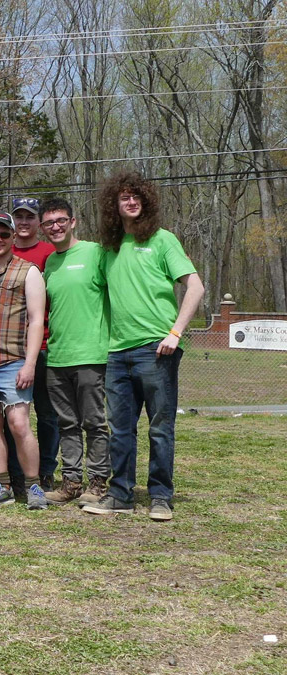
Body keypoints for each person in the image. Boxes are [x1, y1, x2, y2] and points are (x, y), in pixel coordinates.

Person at [83, 170, 204, 521]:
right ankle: (120, 494)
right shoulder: (109, 249)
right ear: (114, 205)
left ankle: (160, 496)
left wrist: (175, 333)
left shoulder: (163, 240)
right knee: (120, 429)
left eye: (136, 196)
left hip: (157, 349)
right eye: (124, 197)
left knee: (160, 427)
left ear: (145, 202)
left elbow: (195, 287)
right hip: (118, 353)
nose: (131, 202)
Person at [36, 198, 110, 507]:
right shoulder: (50, 263)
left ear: (73, 221)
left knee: (94, 423)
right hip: (57, 356)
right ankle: (71, 482)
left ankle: (98, 483)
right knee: (66, 424)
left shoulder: (95, 253)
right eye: (49, 223)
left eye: (60, 221)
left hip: (91, 354)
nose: (55, 227)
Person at [0, 212, 48, 511]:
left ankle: (34, 485)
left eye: (5, 234)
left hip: (13, 360)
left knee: (18, 423)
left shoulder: (28, 272)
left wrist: (30, 363)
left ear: (14, 237)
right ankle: (1, 485)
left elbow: (36, 320)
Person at [10, 197, 60, 491]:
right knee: (15, 416)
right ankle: (17, 471)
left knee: (48, 414)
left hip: (44, 346)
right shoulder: (4, 249)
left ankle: (47, 469)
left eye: (30, 217)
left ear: (38, 222)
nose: (24, 222)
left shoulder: (50, 253)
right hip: (12, 349)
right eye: (20, 216)